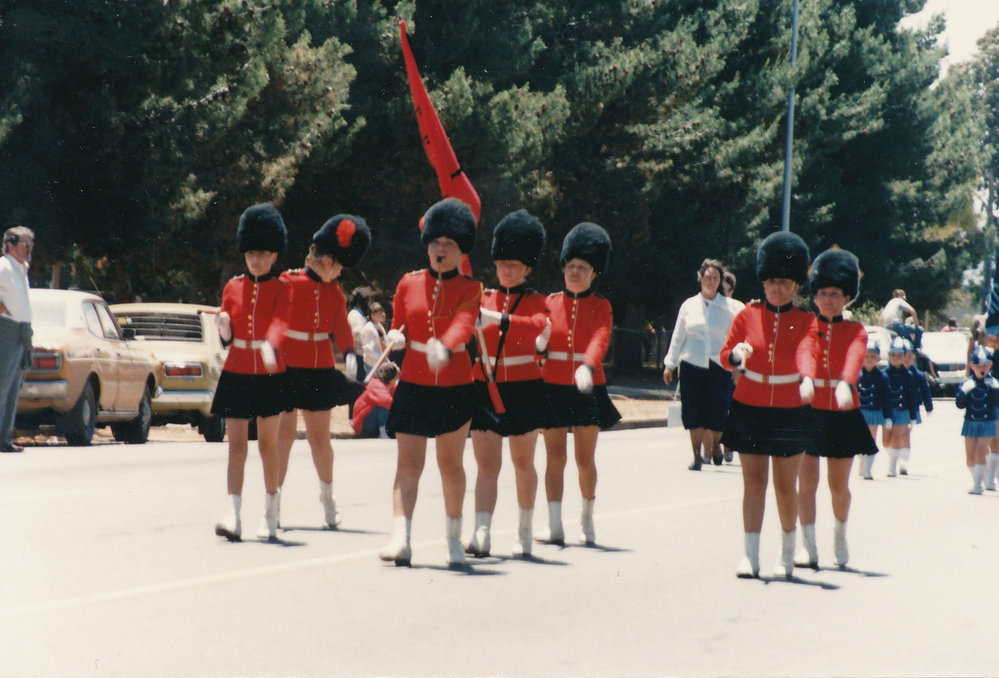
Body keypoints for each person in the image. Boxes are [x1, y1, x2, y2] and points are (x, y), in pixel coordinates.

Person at [378, 198, 482, 567]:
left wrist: (448, 346)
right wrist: (396, 335)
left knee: (450, 464)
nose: (441, 248)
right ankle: (400, 537)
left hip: (454, 384)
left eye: (449, 244)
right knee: (408, 462)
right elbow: (399, 320)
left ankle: (453, 539)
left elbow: (464, 324)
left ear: (460, 249)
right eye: (436, 241)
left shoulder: (471, 287)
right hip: (416, 382)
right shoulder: (409, 282)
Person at [719, 231, 817, 579]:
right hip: (751, 403)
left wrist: (807, 377)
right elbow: (725, 353)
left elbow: (808, 351)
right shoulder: (747, 315)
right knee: (753, 482)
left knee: (784, 485)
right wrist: (736, 354)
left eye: (783, 281)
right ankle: (749, 554)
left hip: (790, 407)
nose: (776, 287)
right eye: (771, 281)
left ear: (794, 284)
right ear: (764, 282)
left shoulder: (806, 319)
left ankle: (787, 553)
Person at [275, 215, 370, 529]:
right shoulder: (288, 282)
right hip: (287, 368)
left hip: (319, 370)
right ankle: (272, 503)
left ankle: (328, 499)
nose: (341, 273)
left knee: (320, 441)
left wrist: (351, 356)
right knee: (284, 437)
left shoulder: (334, 291)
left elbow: (341, 328)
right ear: (327, 261)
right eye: (340, 267)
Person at [465, 209, 551, 558]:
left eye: (514, 264)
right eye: (502, 262)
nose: (506, 269)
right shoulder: (482, 297)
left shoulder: (537, 301)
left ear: (527, 268)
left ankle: (524, 532)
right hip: (485, 386)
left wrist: (498, 319)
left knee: (522, 463)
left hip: (523, 388)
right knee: (486, 465)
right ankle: (481, 531)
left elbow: (536, 327)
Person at [211, 203, 293, 542]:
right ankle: (233, 512)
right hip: (238, 371)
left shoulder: (283, 287)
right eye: (250, 253)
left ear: (274, 255)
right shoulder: (233, 286)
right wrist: (224, 326)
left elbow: (281, 321)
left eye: (261, 254)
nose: (255, 260)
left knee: (268, 447)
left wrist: (271, 344)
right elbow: (227, 333)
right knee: (236, 447)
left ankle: (271, 511)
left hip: (271, 373)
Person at [537, 222, 620, 546]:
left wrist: (588, 365)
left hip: (587, 385)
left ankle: (586, 520)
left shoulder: (601, 305)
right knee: (554, 458)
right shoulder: (550, 302)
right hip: (553, 385)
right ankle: (555, 524)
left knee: (585, 459)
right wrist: (541, 344)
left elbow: (600, 338)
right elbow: (537, 342)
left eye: (582, 267)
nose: (575, 271)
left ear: (593, 272)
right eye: (570, 266)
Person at [795, 248, 876, 570]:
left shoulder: (855, 329)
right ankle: (807, 545)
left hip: (843, 410)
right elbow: (806, 351)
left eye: (834, 294)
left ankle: (840, 534)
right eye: (822, 293)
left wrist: (846, 382)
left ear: (846, 297)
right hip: (810, 408)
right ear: (815, 295)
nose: (827, 299)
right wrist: (806, 378)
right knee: (807, 482)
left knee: (838, 486)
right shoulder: (805, 325)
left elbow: (855, 355)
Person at [662, 258, 744, 469]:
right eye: (707, 277)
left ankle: (716, 445)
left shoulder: (730, 307)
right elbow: (678, 336)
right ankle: (697, 455)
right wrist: (670, 364)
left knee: (716, 411)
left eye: (715, 278)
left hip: (720, 364)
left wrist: (739, 366)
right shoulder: (689, 305)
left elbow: (739, 338)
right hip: (691, 362)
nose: (711, 281)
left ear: (719, 281)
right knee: (693, 411)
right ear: (700, 278)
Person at [0, 226, 34, 453]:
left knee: (14, 386)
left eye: (31, 244)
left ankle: (4, 438)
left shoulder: (22, 268)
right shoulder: (3, 266)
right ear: (11, 245)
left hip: (22, 330)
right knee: (2, 384)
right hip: (6, 328)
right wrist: (6, 312)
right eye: (25, 244)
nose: (29, 248)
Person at [955, 344, 999, 494]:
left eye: (986, 365)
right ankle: (978, 478)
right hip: (970, 422)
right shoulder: (967, 383)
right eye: (979, 365)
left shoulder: (993, 383)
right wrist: (964, 391)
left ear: (990, 365)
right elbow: (959, 404)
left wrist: (996, 389)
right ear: (972, 365)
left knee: (981, 450)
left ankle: (978, 485)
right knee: (970, 457)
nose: (982, 368)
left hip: (987, 422)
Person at [883, 336, 919, 478]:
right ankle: (894, 455)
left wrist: (913, 416)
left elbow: (912, 396)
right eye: (893, 355)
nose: (896, 358)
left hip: (903, 410)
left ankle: (892, 465)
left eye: (899, 356)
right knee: (886, 441)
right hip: (887, 411)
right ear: (889, 356)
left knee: (897, 437)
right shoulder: (884, 374)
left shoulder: (909, 375)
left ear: (904, 356)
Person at [856, 337, 891, 480]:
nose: (869, 359)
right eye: (866, 356)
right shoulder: (857, 375)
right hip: (859, 412)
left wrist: (888, 416)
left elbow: (886, 398)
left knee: (871, 440)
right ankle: (862, 461)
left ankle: (868, 470)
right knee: (858, 441)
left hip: (874, 412)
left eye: (873, 356)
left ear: (878, 358)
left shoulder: (882, 377)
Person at [901, 338, 933, 475]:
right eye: (904, 356)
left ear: (913, 356)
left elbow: (925, 392)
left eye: (910, 356)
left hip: (911, 410)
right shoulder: (891, 373)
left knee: (906, 433)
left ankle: (904, 461)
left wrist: (929, 407)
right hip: (895, 409)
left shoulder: (918, 375)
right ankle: (895, 456)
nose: (907, 359)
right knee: (894, 435)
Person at [351, 361, 399, 438]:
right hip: (363, 424)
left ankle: (387, 432)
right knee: (383, 405)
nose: (397, 378)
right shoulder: (376, 384)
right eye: (397, 376)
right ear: (391, 377)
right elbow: (385, 401)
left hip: (371, 422)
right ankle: (383, 433)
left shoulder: (390, 387)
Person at [360, 301, 389, 372]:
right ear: (373, 315)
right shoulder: (369, 328)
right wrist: (381, 359)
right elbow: (369, 350)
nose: (383, 314)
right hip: (372, 365)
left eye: (383, 312)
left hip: (381, 364)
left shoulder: (379, 326)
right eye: (380, 313)